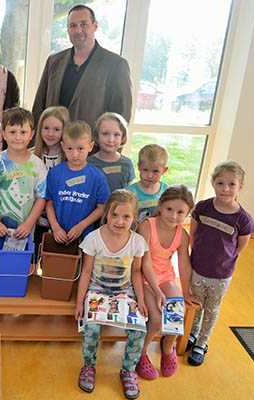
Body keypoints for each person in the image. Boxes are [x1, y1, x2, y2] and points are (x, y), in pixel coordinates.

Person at [75, 190, 162, 399]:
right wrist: (80, 302)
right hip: (97, 290)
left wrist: (140, 300)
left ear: (134, 218)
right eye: (115, 215)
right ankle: (88, 366)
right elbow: (86, 272)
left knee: (139, 329)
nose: (120, 221)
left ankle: (128, 370)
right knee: (91, 328)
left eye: (126, 216)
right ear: (106, 214)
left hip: (125, 291)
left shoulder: (138, 242)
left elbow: (136, 272)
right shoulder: (93, 238)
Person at [187, 161, 254, 366]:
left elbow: (241, 246)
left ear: (240, 187)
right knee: (196, 303)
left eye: (231, 184)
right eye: (220, 183)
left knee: (212, 308)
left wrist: (224, 260)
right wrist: (195, 252)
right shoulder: (203, 207)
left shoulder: (243, 219)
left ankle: (202, 342)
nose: (225, 189)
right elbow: (193, 231)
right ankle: (192, 333)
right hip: (198, 267)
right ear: (213, 183)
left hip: (221, 274)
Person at [32, 4, 132, 131]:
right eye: (73, 25)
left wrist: (110, 148)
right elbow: (39, 105)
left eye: (84, 24)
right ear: (68, 29)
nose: (78, 30)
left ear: (95, 26)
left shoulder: (116, 65)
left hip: (91, 147)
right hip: (53, 144)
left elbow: (121, 115)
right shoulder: (54, 61)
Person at [135, 186, 200, 380]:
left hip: (165, 277)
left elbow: (184, 265)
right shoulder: (147, 226)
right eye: (170, 209)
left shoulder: (183, 235)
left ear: (187, 214)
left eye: (180, 212)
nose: (173, 216)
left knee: (176, 312)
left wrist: (186, 292)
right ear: (161, 206)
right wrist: (156, 291)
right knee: (155, 318)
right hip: (145, 278)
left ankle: (167, 346)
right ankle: (142, 353)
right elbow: (144, 262)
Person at [0, 107, 46, 241]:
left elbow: (41, 198)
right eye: (12, 132)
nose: (18, 137)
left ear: (31, 134)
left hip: (25, 232)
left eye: (23, 132)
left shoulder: (38, 165)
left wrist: (28, 224)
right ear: (4, 134)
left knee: (22, 262)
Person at [45, 121, 109, 245]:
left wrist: (81, 226)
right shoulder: (55, 173)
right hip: (57, 235)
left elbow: (102, 207)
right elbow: (49, 203)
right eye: (70, 148)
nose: (75, 154)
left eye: (80, 148)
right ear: (63, 146)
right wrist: (56, 227)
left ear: (90, 146)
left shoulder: (97, 176)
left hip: (86, 238)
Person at [33, 106, 70, 246]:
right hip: (35, 219)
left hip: (60, 220)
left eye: (56, 129)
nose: (50, 133)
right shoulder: (31, 155)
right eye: (46, 128)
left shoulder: (69, 158)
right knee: (33, 258)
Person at [88, 112, 135, 192]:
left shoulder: (127, 164)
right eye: (105, 134)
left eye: (116, 135)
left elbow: (130, 193)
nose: (111, 140)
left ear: (123, 137)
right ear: (97, 135)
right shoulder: (88, 163)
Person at [128, 144, 169, 222]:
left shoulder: (166, 191)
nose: (149, 176)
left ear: (164, 170)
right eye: (145, 170)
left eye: (155, 171)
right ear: (139, 167)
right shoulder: (130, 192)